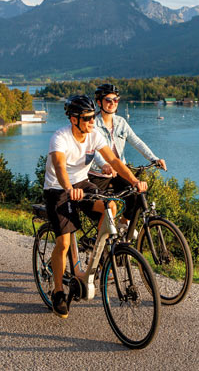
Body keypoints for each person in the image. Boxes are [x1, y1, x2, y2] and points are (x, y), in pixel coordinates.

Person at [43, 94, 147, 319]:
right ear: (74, 119)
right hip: (58, 189)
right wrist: (69, 188)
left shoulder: (93, 135)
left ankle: (95, 258)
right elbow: (60, 167)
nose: (92, 121)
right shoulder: (60, 138)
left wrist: (134, 181)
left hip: (82, 184)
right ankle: (58, 292)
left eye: (93, 117)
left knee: (111, 206)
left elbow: (114, 161)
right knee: (63, 242)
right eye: (88, 118)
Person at [89, 83, 166, 230]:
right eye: (108, 100)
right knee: (106, 209)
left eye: (116, 100)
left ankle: (124, 224)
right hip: (98, 174)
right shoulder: (93, 124)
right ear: (99, 102)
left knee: (137, 193)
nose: (112, 103)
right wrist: (103, 165)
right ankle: (101, 243)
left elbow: (136, 141)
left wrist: (154, 159)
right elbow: (92, 151)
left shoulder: (121, 122)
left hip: (118, 171)